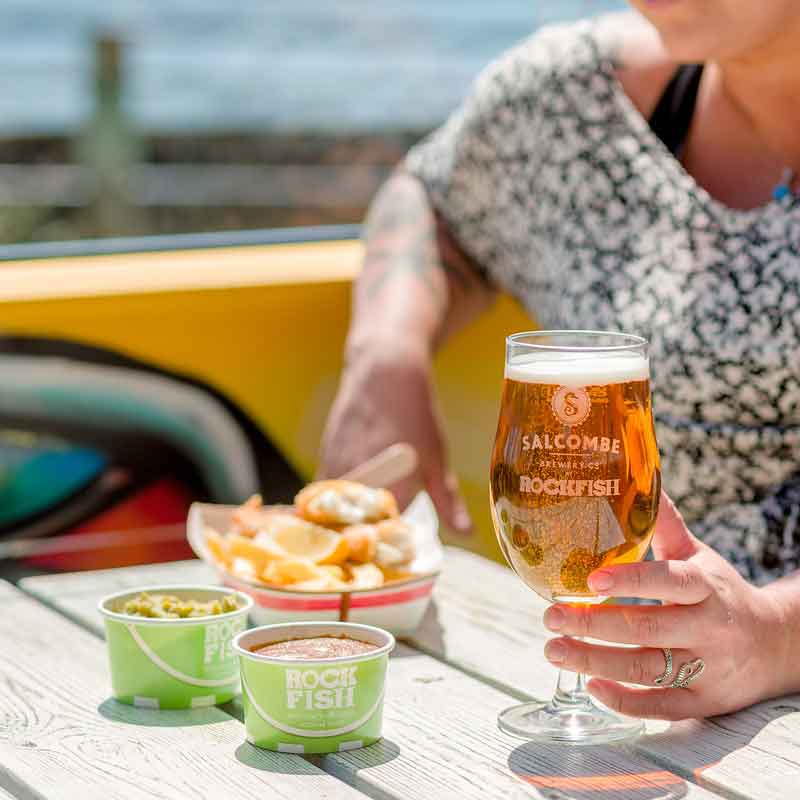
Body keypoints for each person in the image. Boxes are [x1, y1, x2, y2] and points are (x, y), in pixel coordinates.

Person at [320, 0, 800, 720]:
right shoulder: (579, 97)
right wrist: (385, 352)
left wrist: (772, 636)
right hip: (611, 695)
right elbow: (433, 194)